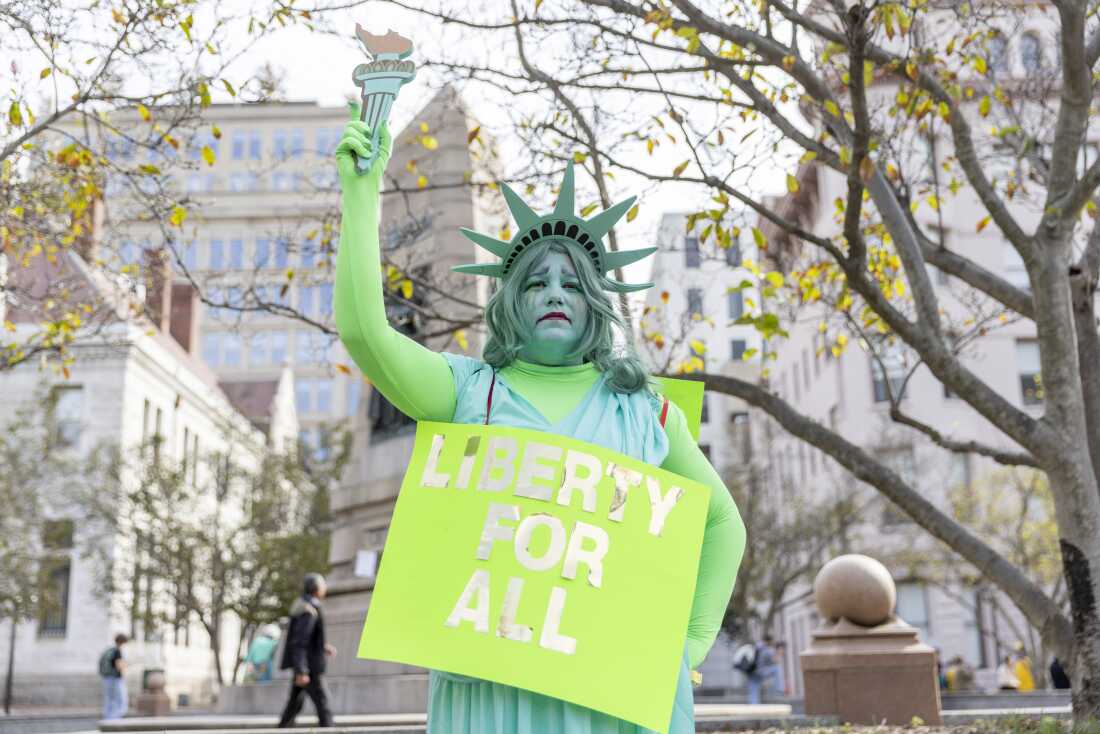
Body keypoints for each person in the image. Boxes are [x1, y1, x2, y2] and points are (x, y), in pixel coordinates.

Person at [333, 114, 746, 734]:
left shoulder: (645, 408)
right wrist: (361, 192)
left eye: (572, 283)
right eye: (535, 282)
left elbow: (720, 521)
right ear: (509, 303)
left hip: (616, 699)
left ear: (595, 302)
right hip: (491, 695)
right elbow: (366, 332)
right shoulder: (468, 392)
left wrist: (687, 645)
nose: (555, 292)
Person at [278, 573, 336, 728]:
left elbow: (306, 638)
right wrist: (302, 671)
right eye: (323, 584)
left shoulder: (305, 605)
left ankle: (282, 728)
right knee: (323, 704)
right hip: (309, 667)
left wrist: (323, 646)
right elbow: (299, 642)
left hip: (305, 665)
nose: (325, 588)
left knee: (295, 704)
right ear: (316, 588)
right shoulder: (308, 610)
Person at [745, 635, 784, 704]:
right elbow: (775, 660)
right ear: (769, 641)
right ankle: (778, 689)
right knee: (776, 669)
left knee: (753, 692)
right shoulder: (766, 648)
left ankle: (753, 708)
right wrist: (779, 653)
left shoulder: (755, 647)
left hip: (751, 672)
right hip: (760, 672)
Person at [98, 633, 129, 720]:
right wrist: (125, 667)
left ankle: (108, 717)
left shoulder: (110, 650)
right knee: (118, 698)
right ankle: (114, 718)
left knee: (109, 698)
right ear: (122, 642)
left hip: (107, 677)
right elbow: (119, 666)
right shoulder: (117, 651)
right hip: (115, 678)